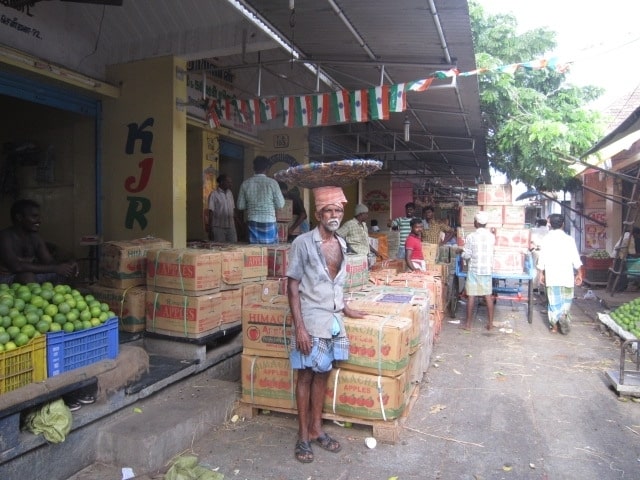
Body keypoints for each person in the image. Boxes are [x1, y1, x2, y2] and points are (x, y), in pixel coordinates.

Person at [286, 185, 365, 464]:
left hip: (332, 320)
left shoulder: (341, 243)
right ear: (319, 214)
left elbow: (336, 284)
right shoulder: (303, 243)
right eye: (329, 210)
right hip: (310, 320)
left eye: (338, 210)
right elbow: (292, 287)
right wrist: (300, 328)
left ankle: (317, 429)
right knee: (305, 376)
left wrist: (346, 308)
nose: (334, 215)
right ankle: (303, 436)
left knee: (322, 375)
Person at [0, 199, 78, 284]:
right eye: (34, 216)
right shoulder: (5, 236)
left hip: (31, 278)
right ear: (19, 217)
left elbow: (49, 262)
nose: (39, 221)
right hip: (7, 279)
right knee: (27, 276)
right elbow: (16, 266)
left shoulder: (35, 238)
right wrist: (55, 268)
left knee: (66, 273)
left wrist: (68, 264)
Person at [537, 213, 583, 334]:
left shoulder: (546, 239)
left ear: (550, 225)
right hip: (566, 277)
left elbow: (542, 258)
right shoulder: (569, 239)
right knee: (565, 301)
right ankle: (563, 316)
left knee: (553, 302)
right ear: (563, 224)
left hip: (552, 276)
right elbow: (576, 259)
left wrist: (541, 273)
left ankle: (554, 326)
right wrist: (580, 274)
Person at [237, 156, 285, 244]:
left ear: (254, 168)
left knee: (254, 252)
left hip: (252, 221)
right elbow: (280, 204)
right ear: (267, 168)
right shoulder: (272, 183)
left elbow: (240, 206)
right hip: (269, 221)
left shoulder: (245, 184)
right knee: (270, 251)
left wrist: (252, 204)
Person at [460, 211, 495, 331]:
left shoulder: (471, 236)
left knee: (471, 296)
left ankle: (468, 325)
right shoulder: (491, 236)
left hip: (474, 269)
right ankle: (490, 324)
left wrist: (461, 253)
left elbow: (467, 255)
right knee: (488, 296)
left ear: (475, 223)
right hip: (487, 270)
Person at [207, 173, 238, 243]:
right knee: (221, 248)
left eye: (231, 182)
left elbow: (233, 210)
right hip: (219, 227)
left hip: (231, 226)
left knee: (234, 247)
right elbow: (211, 212)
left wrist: (239, 225)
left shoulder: (230, 193)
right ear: (221, 182)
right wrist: (210, 229)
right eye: (228, 182)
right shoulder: (214, 194)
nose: (231, 184)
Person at [529, 218, 549, 291]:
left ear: (538, 224)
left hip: (536, 251)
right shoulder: (549, 231)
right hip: (546, 252)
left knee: (535, 268)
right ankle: (542, 288)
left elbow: (530, 241)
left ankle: (534, 287)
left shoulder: (533, 230)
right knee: (544, 269)